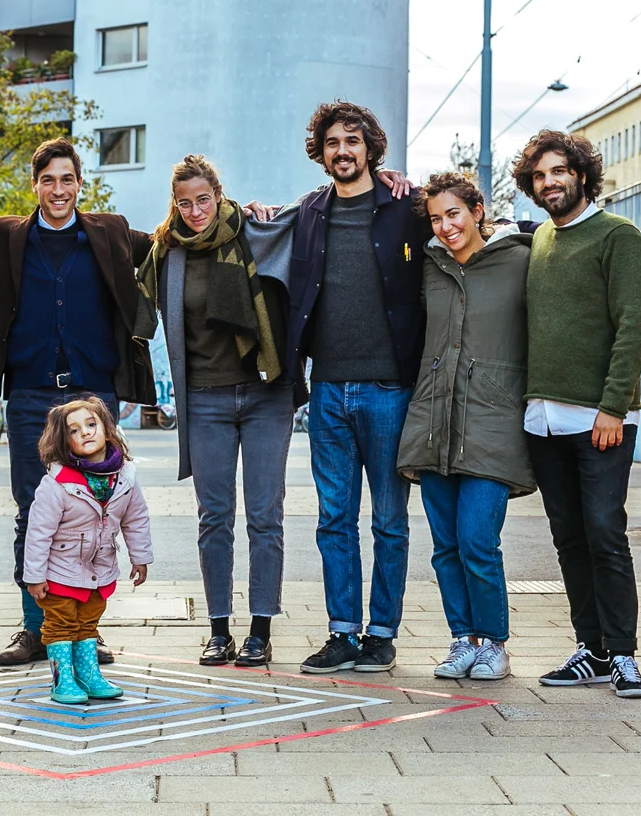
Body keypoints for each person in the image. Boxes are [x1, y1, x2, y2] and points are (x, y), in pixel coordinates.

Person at [244, 100, 426, 675]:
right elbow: (259, 233)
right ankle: (342, 633)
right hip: (327, 390)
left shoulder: (407, 207)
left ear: (371, 148)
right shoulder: (309, 211)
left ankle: (382, 635)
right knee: (334, 520)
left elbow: (465, 225)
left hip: (390, 390)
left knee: (389, 521)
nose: (342, 151)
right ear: (320, 154)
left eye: (352, 141)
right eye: (332, 143)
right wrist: (250, 212)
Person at [0, 137, 155, 667]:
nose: (58, 189)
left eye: (67, 179)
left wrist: (245, 213)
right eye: (48, 180)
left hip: (92, 394)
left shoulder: (110, 232)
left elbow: (176, 237)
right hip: (30, 392)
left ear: (80, 183)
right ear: (34, 185)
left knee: (95, 513)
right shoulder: (5, 236)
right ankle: (37, 629)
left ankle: (83, 630)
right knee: (32, 511)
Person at [135, 155, 294, 668]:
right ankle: (219, 629)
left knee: (265, 516)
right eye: (185, 203)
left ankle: (261, 629)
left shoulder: (254, 231)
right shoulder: (167, 252)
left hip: (265, 394)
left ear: (219, 195)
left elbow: (309, 222)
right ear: (175, 204)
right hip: (204, 399)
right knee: (214, 517)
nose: (196, 211)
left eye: (203, 199)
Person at [512, 130, 641, 699]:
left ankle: (623, 655)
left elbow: (635, 326)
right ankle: (590, 649)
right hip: (543, 421)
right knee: (569, 539)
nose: (549, 182)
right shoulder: (540, 239)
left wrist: (613, 406)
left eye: (559, 171)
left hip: (600, 421)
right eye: (540, 175)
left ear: (581, 175)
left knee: (605, 535)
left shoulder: (618, 236)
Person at [396, 172, 534, 682]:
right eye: (436, 218)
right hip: (434, 421)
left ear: (478, 211)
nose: (446, 226)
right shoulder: (429, 265)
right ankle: (462, 640)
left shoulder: (519, 260)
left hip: (493, 421)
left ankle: (494, 644)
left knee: (477, 539)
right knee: (446, 546)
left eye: (454, 213)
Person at [22, 397, 152, 704]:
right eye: (74, 430)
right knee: (61, 623)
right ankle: (62, 680)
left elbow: (136, 519)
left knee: (89, 621)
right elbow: (38, 533)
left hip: (99, 569)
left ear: (107, 428)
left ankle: (88, 674)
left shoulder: (125, 477)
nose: (85, 432)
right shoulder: (57, 483)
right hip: (60, 572)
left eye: (91, 424)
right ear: (63, 441)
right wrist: (35, 576)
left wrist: (140, 557)